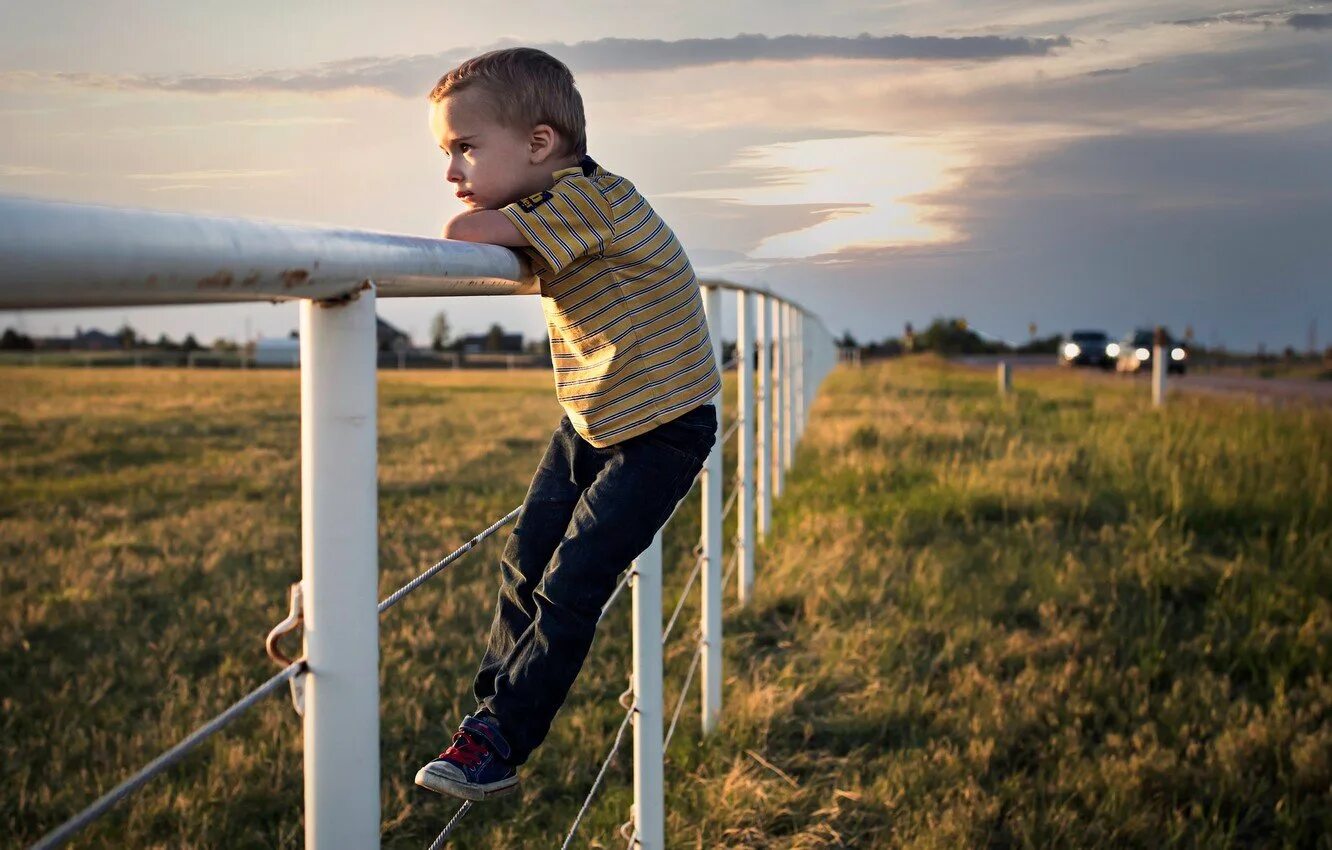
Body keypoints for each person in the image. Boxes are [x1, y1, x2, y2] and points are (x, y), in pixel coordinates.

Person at [413, 46, 721, 802]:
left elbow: (465, 234)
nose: (452, 172)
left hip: (663, 425)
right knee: (525, 560)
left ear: (540, 145)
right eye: (446, 153)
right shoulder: (563, 202)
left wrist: (478, 216)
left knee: (571, 582)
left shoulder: (586, 199)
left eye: (464, 148)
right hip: (597, 412)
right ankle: (489, 715)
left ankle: (502, 739)